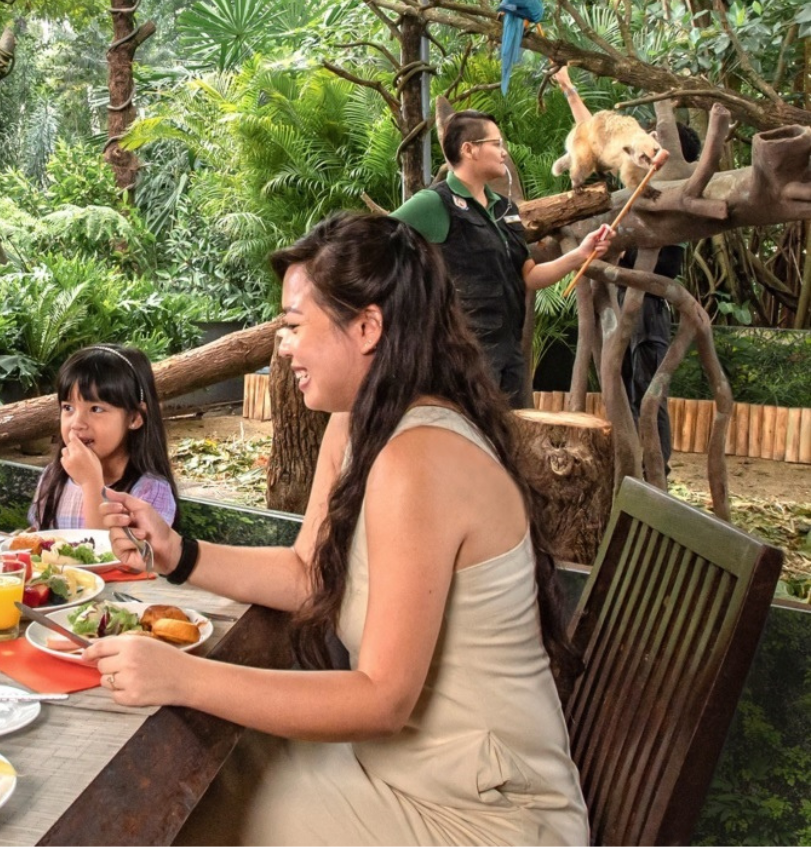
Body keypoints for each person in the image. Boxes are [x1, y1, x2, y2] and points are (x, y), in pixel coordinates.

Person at [89, 214, 587, 846]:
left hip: (478, 818)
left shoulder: (420, 460)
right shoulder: (356, 426)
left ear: (368, 326)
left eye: (294, 326)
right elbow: (308, 574)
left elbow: (382, 699)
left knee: (174, 810)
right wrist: (176, 552)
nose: (284, 346)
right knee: (180, 787)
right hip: (396, 774)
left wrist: (180, 676)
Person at [393, 110, 613, 406]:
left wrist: (580, 254)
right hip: (464, 352)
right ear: (468, 149)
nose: (503, 151)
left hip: (509, 349)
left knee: (512, 438)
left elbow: (530, 276)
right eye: (495, 144)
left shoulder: (504, 209)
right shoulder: (435, 203)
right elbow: (377, 239)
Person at [553, 65, 694, 471]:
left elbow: (660, 261)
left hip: (648, 306)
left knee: (646, 391)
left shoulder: (667, 197)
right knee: (625, 382)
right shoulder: (634, 164)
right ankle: (637, 462)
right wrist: (570, 91)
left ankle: (656, 465)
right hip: (627, 302)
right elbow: (594, 133)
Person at [29, 343, 178, 530]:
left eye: (96, 409)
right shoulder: (53, 477)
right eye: (68, 408)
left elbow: (115, 554)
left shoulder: (150, 491)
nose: (77, 423)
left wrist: (92, 483)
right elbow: (40, 538)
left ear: (135, 417)